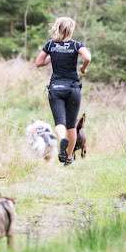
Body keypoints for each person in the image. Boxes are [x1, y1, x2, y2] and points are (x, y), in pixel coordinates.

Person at [35, 17, 91, 165]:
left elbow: (38, 62)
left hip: (56, 88)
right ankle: (68, 157)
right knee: (71, 126)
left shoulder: (51, 45)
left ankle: (62, 139)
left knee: (60, 123)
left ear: (57, 28)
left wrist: (51, 58)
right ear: (71, 30)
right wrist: (83, 68)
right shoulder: (76, 45)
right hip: (73, 88)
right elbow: (87, 57)